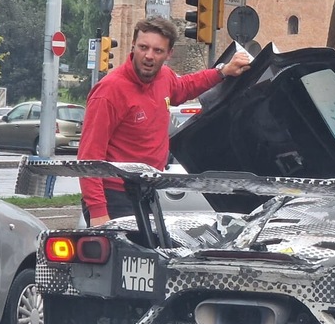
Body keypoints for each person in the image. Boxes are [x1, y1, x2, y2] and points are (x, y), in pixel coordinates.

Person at [78, 15, 252, 226]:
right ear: (133, 46)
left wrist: (222, 72)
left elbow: (186, 86)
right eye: (143, 47)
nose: (149, 56)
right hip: (114, 197)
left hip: (147, 192)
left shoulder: (164, 77)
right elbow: (89, 158)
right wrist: (98, 213)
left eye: (157, 50)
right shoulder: (109, 92)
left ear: (168, 54)